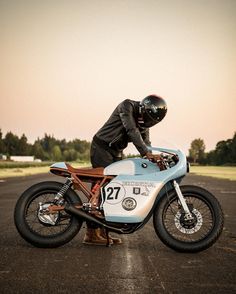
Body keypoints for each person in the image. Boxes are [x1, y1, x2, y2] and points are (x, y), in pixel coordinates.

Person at [83, 94, 168, 245]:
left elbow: (146, 143)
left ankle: (103, 231)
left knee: (113, 189)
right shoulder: (126, 106)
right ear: (143, 108)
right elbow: (131, 130)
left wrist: (154, 159)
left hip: (116, 151)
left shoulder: (144, 123)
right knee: (101, 186)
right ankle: (91, 233)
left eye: (151, 122)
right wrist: (146, 153)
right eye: (147, 118)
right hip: (102, 147)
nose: (147, 123)